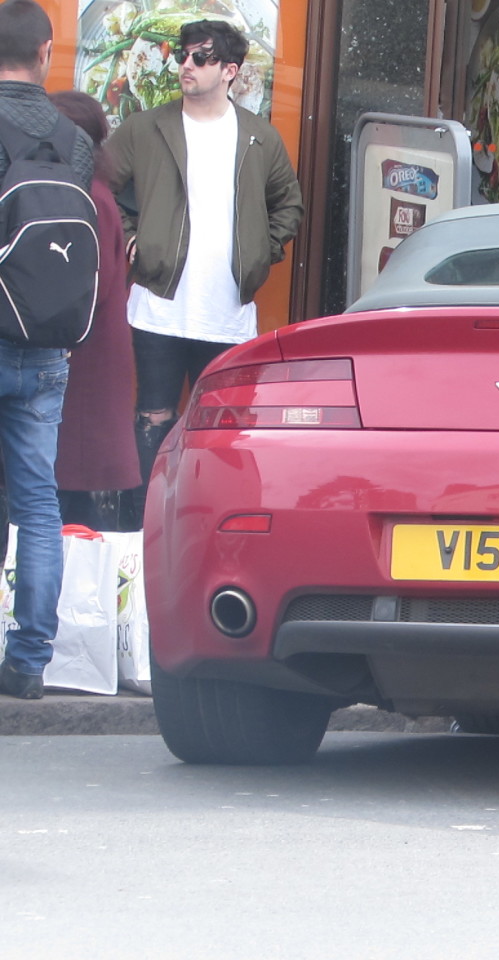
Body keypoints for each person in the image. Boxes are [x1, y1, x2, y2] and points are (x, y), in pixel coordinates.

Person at [107, 19, 303, 525]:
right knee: (153, 416)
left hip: (227, 313)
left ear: (230, 71)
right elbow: (101, 186)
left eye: (200, 57)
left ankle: (206, 524)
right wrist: (130, 236)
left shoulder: (259, 137)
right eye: (182, 56)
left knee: (219, 427)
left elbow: (290, 205)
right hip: (158, 308)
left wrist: (261, 252)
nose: (186, 66)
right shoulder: (147, 127)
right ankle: (144, 527)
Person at [0, 0, 96, 700]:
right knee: (38, 501)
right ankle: (29, 662)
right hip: (48, 347)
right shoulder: (75, 138)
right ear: (47, 50)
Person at [48, 90, 140, 532]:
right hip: (83, 352)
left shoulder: (93, 197)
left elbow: (94, 283)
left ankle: (70, 596)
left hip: (83, 357)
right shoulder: (89, 191)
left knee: (72, 487)